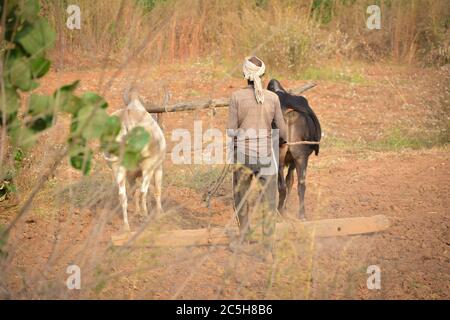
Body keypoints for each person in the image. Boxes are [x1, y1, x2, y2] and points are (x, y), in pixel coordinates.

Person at [227, 56, 287, 261]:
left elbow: (231, 131)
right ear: (263, 75)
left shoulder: (236, 97)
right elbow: (283, 131)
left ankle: (243, 239)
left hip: (242, 156)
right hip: (265, 157)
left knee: (241, 198)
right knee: (269, 202)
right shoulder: (273, 98)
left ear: (245, 75)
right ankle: (268, 249)